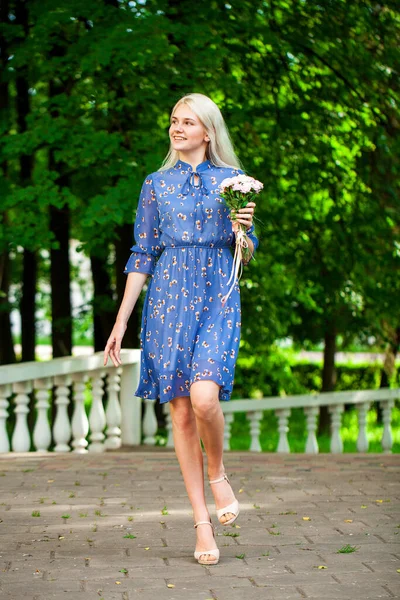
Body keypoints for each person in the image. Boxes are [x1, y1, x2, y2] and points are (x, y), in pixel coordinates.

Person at [104, 93, 259, 565]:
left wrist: (242, 231)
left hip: (217, 294)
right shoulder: (155, 184)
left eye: (187, 122)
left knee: (205, 396)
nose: (177, 128)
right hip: (168, 300)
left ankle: (218, 474)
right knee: (182, 413)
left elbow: (247, 252)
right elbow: (142, 253)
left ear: (208, 131)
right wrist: (121, 320)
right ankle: (201, 524)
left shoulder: (234, 183)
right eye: (173, 120)